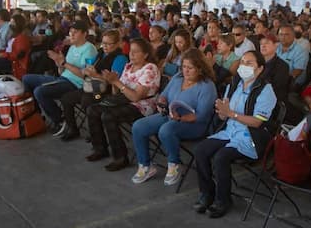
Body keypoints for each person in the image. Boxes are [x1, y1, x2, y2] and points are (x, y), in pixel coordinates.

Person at [193, 50, 277, 218]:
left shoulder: (265, 90)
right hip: (230, 131)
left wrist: (231, 114)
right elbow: (224, 114)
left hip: (251, 136)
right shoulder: (235, 84)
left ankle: (222, 200)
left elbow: (257, 122)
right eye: (243, 62)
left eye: (249, 63)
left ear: (260, 69)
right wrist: (222, 110)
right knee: (200, 150)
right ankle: (207, 193)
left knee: (221, 157)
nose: (244, 66)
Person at [131, 49, 218, 186]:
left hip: (194, 123)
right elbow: (163, 95)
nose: (186, 71)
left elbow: (202, 115)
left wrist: (180, 119)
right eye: (184, 67)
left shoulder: (207, 86)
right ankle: (145, 165)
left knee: (166, 130)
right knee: (138, 126)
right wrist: (162, 103)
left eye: (190, 68)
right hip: (171, 115)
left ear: (200, 69)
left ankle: (174, 164)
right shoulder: (178, 78)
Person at [84, 38, 161, 171]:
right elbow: (117, 92)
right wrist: (112, 81)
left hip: (142, 105)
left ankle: (120, 157)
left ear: (146, 54)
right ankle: (100, 148)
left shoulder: (150, 69)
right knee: (93, 110)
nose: (131, 55)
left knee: (109, 116)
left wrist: (117, 82)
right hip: (124, 100)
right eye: (131, 51)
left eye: (136, 52)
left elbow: (136, 97)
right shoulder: (129, 66)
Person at [22, 20, 98, 134]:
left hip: (76, 84)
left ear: (84, 33)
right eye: (70, 32)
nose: (71, 35)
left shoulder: (89, 49)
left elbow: (84, 74)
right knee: (26, 78)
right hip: (63, 79)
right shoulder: (72, 47)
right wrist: (59, 64)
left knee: (39, 91)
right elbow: (63, 71)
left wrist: (63, 63)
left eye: (75, 32)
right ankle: (35, 114)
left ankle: (60, 120)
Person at [58, 29, 128, 140]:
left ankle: (96, 132)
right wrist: (87, 70)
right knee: (66, 98)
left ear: (117, 44)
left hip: (106, 91)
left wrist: (95, 75)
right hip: (93, 86)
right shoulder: (100, 53)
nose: (104, 46)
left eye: (108, 44)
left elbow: (114, 81)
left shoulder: (120, 58)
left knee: (88, 100)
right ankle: (72, 128)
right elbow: (90, 66)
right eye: (103, 43)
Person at [258, 33, 290, 103]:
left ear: (276, 45)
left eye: (267, 43)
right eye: (261, 44)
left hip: (269, 101)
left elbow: (275, 90)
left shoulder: (282, 66)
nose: (263, 46)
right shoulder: (256, 62)